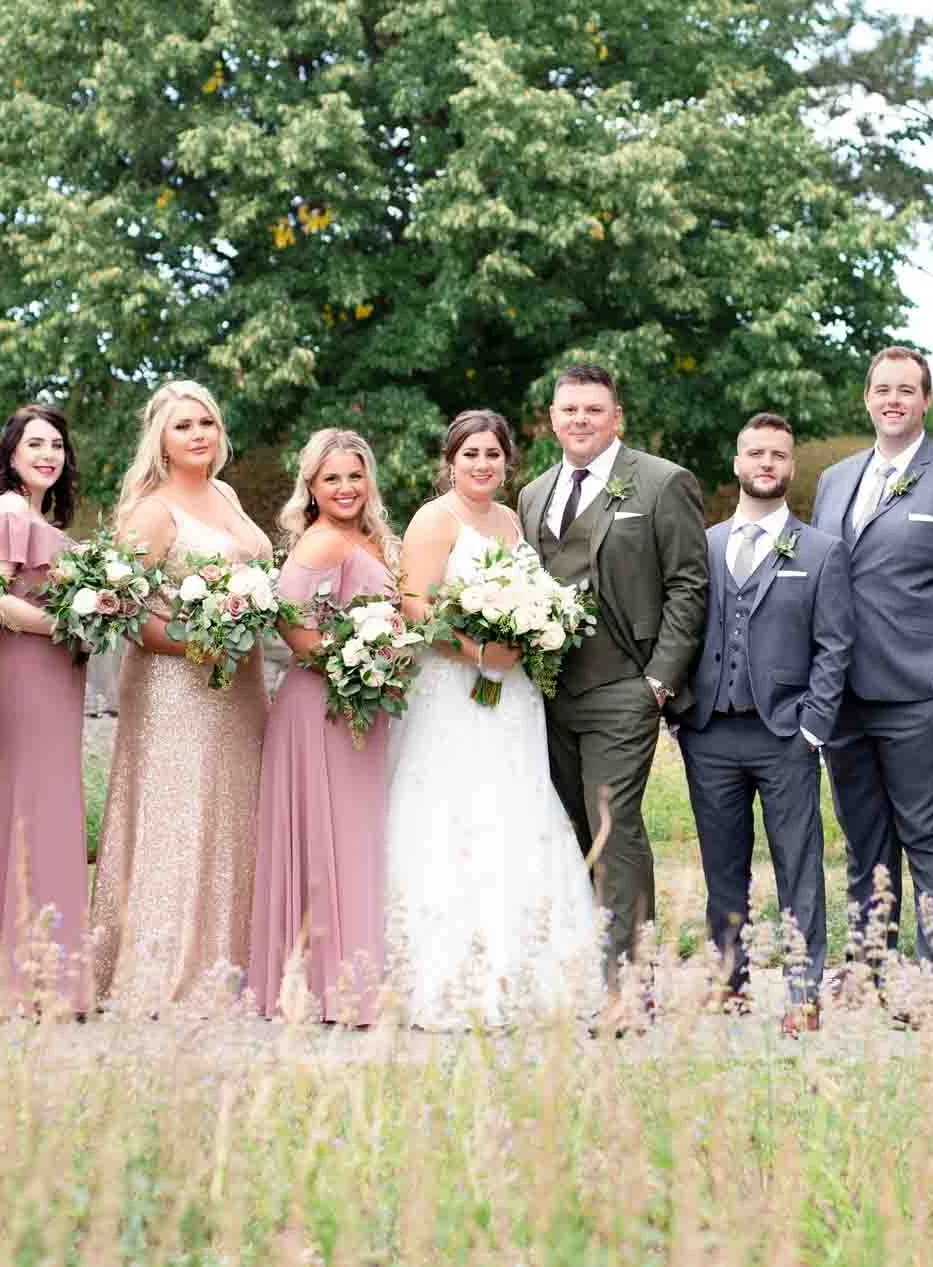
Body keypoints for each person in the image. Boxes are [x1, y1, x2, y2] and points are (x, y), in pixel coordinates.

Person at [391, 410, 601, 1028]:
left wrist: (532, 630)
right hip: (453, 691)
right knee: (454, 816)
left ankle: (528, 971)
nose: (482, 464)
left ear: (508, 462)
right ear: (450, 461)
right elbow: (413, 605)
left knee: (516, 811)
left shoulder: (511, 520)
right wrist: (478, 650)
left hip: (511, 696)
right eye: (470, 454)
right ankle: (446, 975)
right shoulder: (434, 520)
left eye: (492, 454)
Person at [807, 346, 933, 966]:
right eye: (882, 389)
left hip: (926, 696)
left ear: (926, 400)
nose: (893, 400)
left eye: (906, 390)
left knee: (929, 834)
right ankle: (869, 966)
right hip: (845, 697)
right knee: (864, 839)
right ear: (866, 398)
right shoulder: (835, 480)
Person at [515, 363, 708, 993]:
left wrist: (659, 680)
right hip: (547, 691)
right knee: (568, 825)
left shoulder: (660, 483)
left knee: (612, 822)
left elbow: (688, 583)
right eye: (568, 409)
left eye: (593, 410)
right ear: (552, 417)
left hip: (625, 686)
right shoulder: (534, 493)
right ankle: (580, 970)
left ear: (616, 416)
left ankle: (628, 986)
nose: (580, 420)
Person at [90, 380, 274, 1012]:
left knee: (232, 812)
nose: (199, 434)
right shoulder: (152, 511)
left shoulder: (224, 494)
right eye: (183, 426)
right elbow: (127, 613)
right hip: (177, 687)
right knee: (180, 815)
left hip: (238, 684)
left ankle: (233, 962)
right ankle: (163, 967)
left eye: (207, 423)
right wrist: (199, 644)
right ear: (160, 441)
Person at [679, 413, 853, 1036]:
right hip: (710, 733)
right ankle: (730, 982)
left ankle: (804, 993)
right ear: (736, 462)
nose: (766, 463)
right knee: (722, 866)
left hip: (785, 735)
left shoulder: (821, 551)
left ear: (791, 467)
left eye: (778, 454)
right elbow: (684, 630)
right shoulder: (702, 545)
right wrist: (680, 715)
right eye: (755, 452)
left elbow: (835, 645)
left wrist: (813, 727)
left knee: (798, 865)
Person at [248, 429, 399, 1023]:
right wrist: (354, 662)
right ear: (310, 486)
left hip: (364, 705)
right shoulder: (317, 545)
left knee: (357, 840)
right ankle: (324, 985)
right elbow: (292, 628)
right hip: (323, 706)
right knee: (329, 840)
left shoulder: (368, 537)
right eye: (331, 478)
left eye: (355, 476)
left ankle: (354, 978)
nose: (345, 488)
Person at [0, 405, 93, 1015]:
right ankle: (26, 977)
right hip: (23, 668)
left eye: (57, 445)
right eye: (34, 443)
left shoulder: (36, 515)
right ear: (10, 453)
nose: (48, 453)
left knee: (43, 810)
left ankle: (28, 967)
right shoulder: (6, 512)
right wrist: (67, 624)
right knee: (35, 807)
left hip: (53, 671)